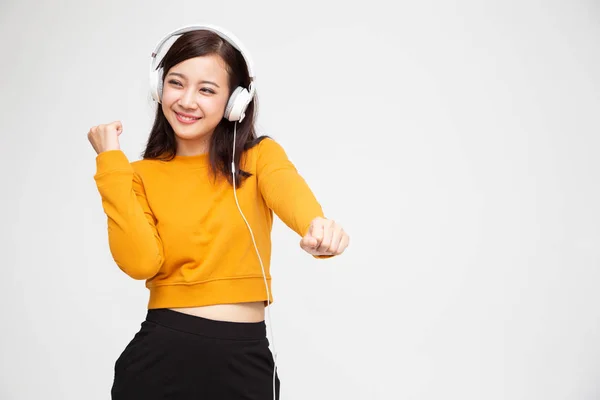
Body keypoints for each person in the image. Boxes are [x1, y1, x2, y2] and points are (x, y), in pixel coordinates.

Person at [87, 24, 349, 400]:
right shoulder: (138, 175)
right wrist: (110, 162)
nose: (187, 100)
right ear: (159, 87)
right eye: (176, 83)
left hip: (244, 358)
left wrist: (317, 226)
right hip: (159, 358)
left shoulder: (259, 158)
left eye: (206, 90)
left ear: (234, 101)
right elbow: (140, 262)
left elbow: (289, 191)